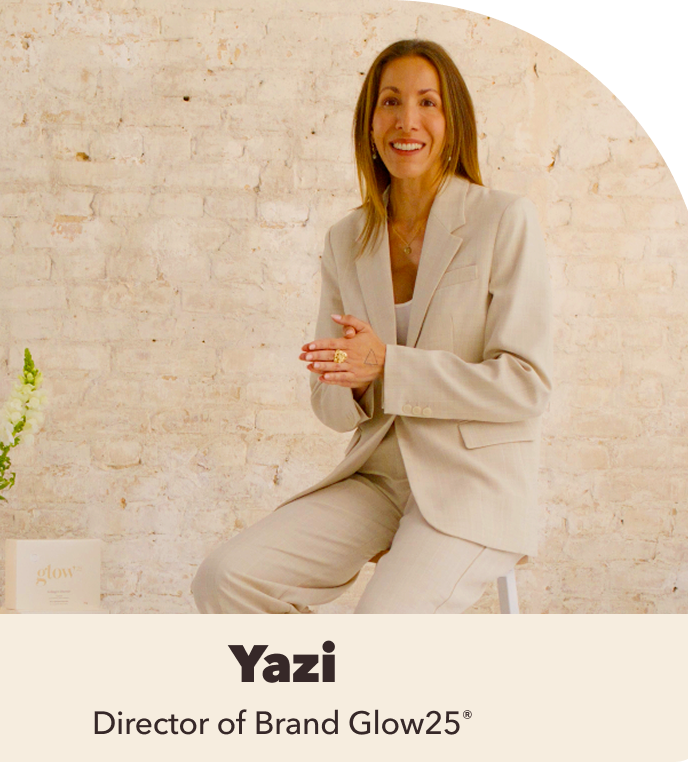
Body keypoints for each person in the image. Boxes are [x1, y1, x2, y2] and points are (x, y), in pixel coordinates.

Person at [191, 39, 553, 614]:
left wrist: (389, 363)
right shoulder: (346, 239)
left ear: (452, 119)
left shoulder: (502, 219)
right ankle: (319, 704)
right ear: (369, 122)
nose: (407, 121)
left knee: (380, 627)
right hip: (378, 479)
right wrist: (354, 383)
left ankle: (359, 699)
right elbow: (330, 408)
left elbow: (525, 383)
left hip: (471, 483)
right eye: (390, 102)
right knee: (225, 578)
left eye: (427, 102)